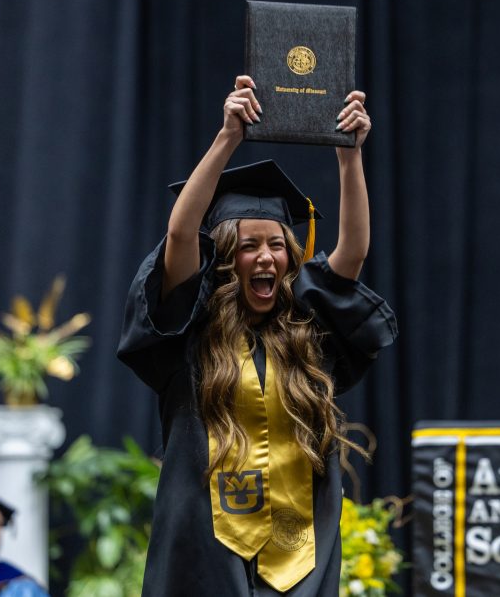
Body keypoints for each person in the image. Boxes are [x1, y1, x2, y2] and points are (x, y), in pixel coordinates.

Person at [117, 75, 397, 596]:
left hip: (298, 547)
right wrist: (228, 137)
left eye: (277, 245)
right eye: (249, 246)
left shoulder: (307, 327)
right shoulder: (192, 333)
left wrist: (349, 155)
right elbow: (181, 234)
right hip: (207, 540)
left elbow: (351, 253)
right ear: (225, 257)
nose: (266, 257)